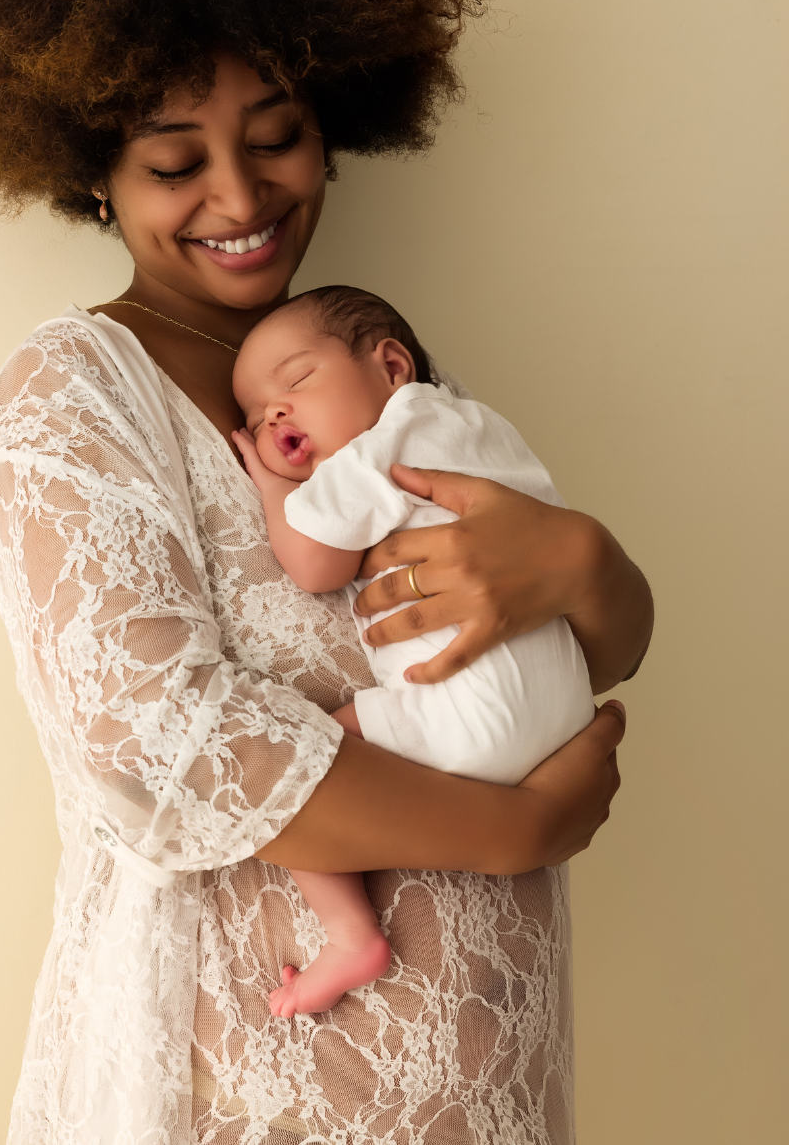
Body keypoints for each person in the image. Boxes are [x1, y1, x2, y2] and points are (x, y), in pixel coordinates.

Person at [0, 0, 651, 1142]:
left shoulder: (366, 370)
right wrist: (511, 828)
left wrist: (590, 563)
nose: (242, 197)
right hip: (241, 1080)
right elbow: (160, 746)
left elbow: (586, 632)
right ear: (91, 176)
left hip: (487, 1070)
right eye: (173, 161)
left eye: (279, 133)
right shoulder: (73, 392)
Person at [230, 286, 596, 1018]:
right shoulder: (477, 425)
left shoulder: (382, 447)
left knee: (304, 763)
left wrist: (273, 487)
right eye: (253, 414)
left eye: (296, 381)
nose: (273, 413)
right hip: (569, 713)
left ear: (392, 367)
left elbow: (312, 565)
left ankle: (350, 934)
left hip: (474, 720)